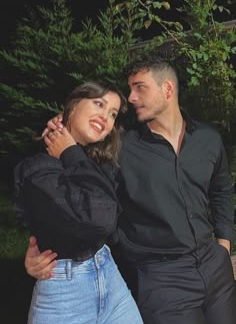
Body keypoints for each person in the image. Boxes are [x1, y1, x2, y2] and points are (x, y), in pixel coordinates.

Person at [24, 56, 236, 324]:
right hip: (162, 280)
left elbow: (221, 191)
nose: (131, 97)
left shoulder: (208, 139)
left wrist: (223, 246)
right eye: (129, 89)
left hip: (215, 267)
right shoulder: (121, 147)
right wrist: (43, 247)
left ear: (167, 89)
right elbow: (74, 197)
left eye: (139, 87)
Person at [14, 81, 143, 324]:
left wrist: (70, 148)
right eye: (98, 104)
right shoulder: (37, 167)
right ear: (72, 108)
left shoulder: (98, 162)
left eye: (112, 114)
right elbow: (100, 217)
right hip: (65, 292)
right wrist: (69, 151)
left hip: (109, 276)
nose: (105, 117)